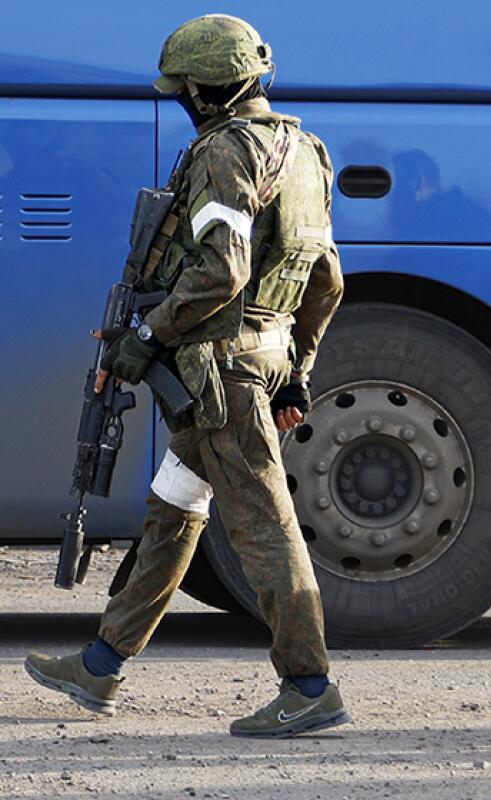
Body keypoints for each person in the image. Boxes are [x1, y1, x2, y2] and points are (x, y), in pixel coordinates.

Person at [24, 14, 349, 738]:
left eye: (185, 89)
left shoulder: (224, 152)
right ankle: (102, 665)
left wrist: (147, 334)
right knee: (173, 510)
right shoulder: (304, 150)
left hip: (221, 373)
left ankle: (309, 686)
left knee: (264, 527)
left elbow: (222, 271)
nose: (181, 100)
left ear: (205, 91)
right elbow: (326, 280)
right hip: (256, 361)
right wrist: (297, 370)